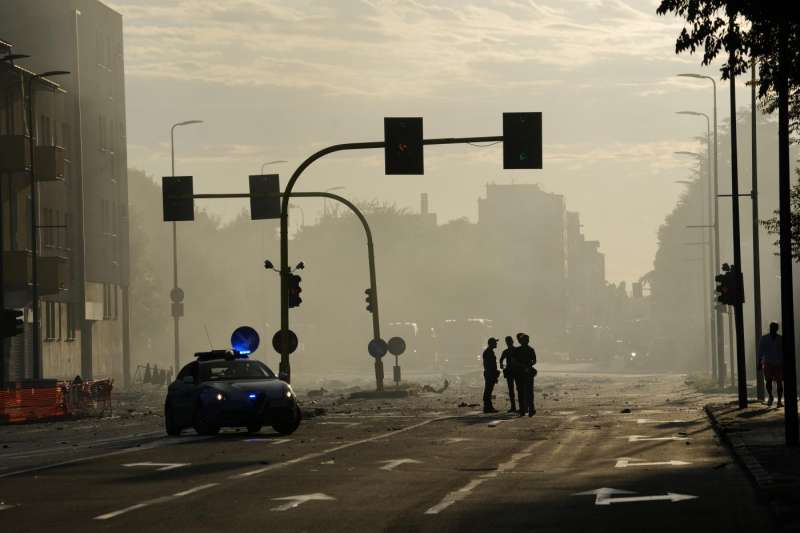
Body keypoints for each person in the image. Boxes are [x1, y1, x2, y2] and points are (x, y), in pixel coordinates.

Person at [758, 322, 784, 408]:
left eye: (774, 327)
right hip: (768, 362)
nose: (772, 329)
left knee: (779, 382)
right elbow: (760, 351)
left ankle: (779, 401)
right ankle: (770, 396)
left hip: (778, 363)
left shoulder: (780, 339)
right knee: (768, 381)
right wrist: (759, 362)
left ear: (777, 329)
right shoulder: (764, 338)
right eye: (771, 327)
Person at [515, 333, 537, 416]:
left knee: (525, 392)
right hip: (524, 372)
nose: (527, 341)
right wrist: (527, 366)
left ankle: (526, 409)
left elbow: (534, 360)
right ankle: (527, 409)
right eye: (526, 340)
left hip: (523, 373)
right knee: (526, 392)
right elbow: (534, 361)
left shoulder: (521, 350)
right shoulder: (528, 349)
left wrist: (526, 366)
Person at [499, 336, 517, 413]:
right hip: (515, 371)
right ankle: (518, 406)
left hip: (511, 371)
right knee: (516, 389)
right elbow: (501, 360)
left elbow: (501, 360)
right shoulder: (516, 350)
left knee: (512, 389)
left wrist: (502, 365)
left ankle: (514, 407)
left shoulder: (506, 351)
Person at [482, 337, 500, 413]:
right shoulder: (488, 352)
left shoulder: (489, 351)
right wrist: (494, 373)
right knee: (488, 391)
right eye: (495, 343)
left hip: (490, 373)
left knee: (488, 390)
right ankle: (488, 407)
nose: (496, 344)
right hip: (490, 373)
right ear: (491, 343)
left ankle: (488, 407)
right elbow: (490, 365)